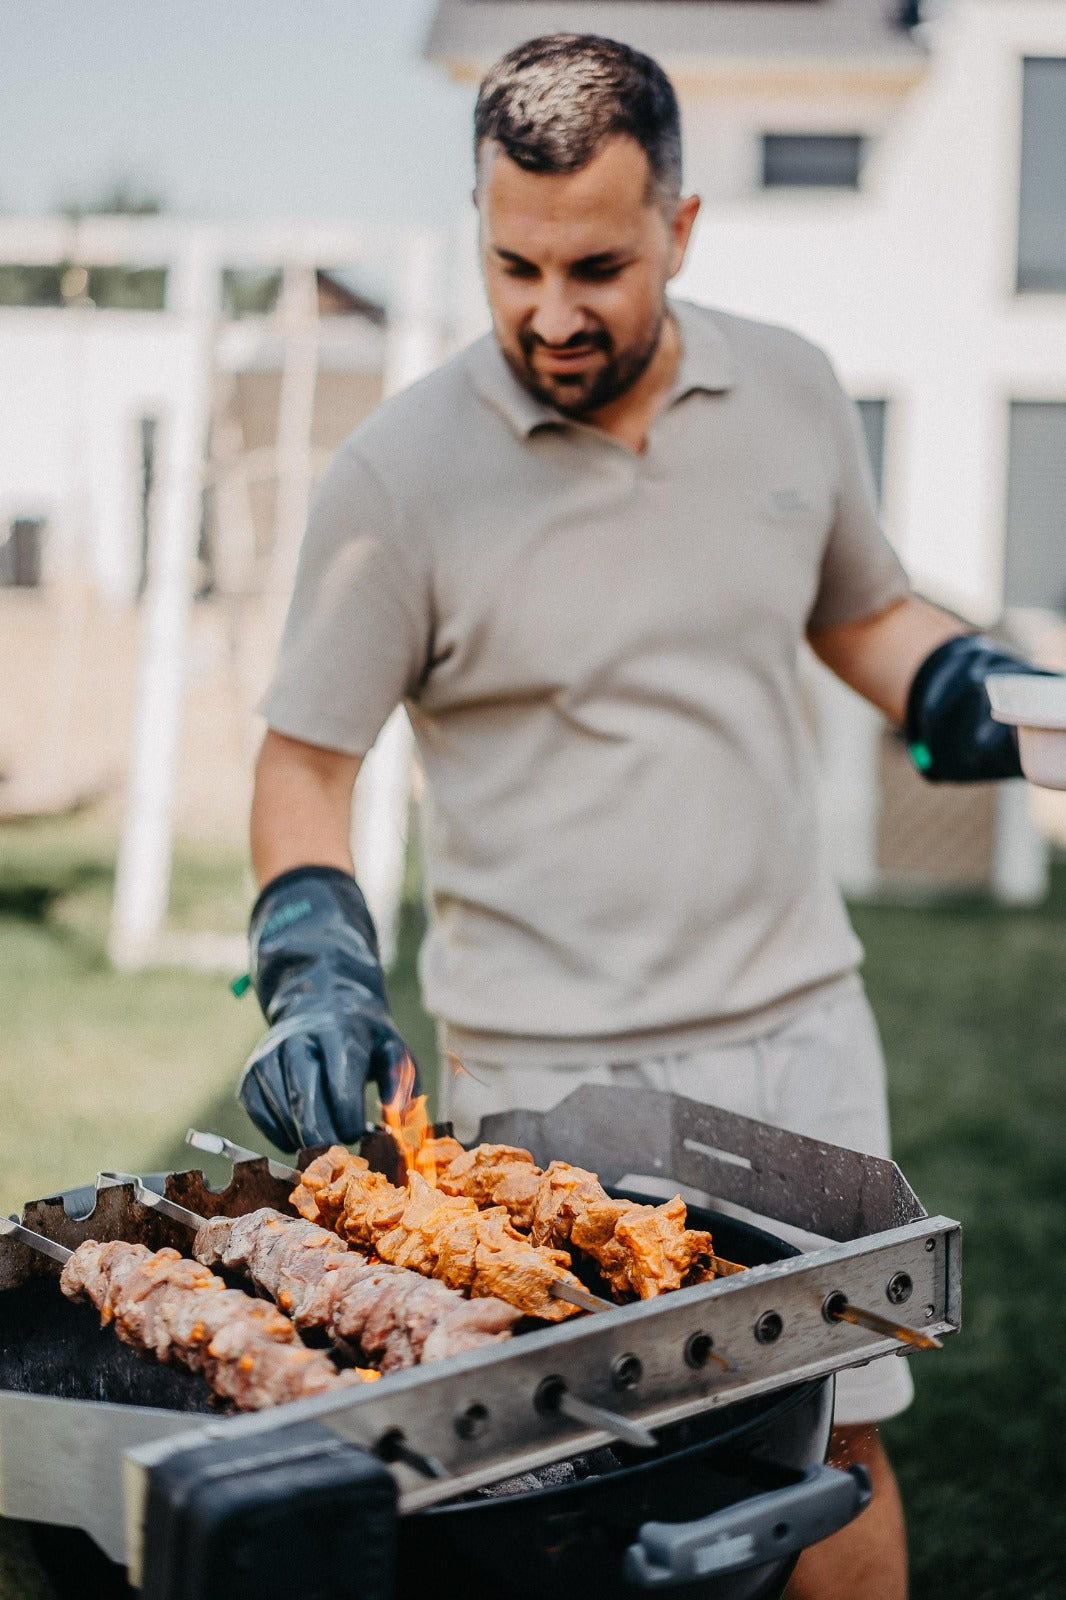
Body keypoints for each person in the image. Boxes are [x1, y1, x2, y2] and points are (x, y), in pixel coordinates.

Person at [238, 35, 1053, 1599]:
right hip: (553, 1082)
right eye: (511, 264)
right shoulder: (395, 476)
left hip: (799, 1034)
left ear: (680, 228)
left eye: (597, 265)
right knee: (568, 1512)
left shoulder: (793, 388)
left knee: (833, 1456)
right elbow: (302, 763)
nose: (549, 313)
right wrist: (317, 974)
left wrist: (967, 684)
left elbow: (858, 609)